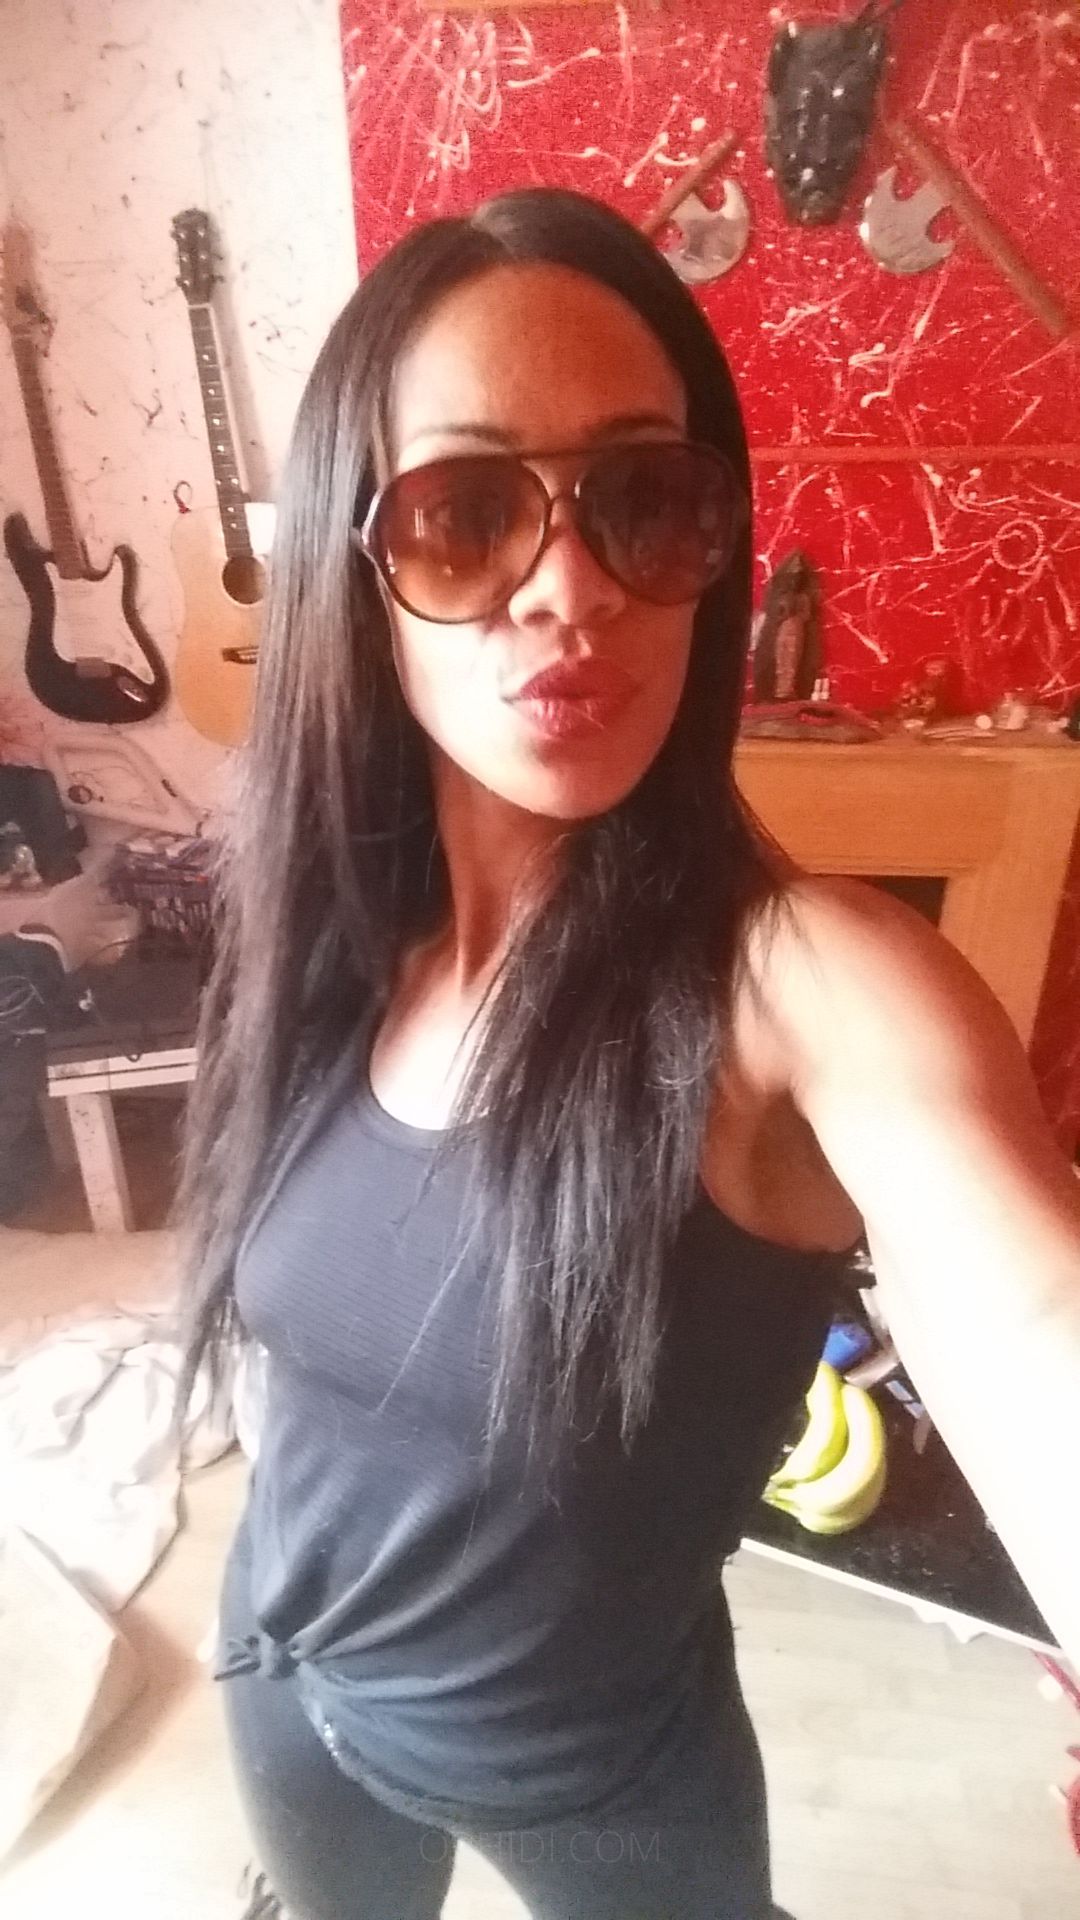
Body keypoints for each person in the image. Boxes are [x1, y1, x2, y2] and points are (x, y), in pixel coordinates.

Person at [172, 187, 1080, 1920]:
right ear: (356, 575)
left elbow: (1042, 1325)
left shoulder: (804, 986)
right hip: (281, 1677)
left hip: (595, 1776)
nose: (572, 589)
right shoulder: (331, 942)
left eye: (643, 501)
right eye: (464, 515)